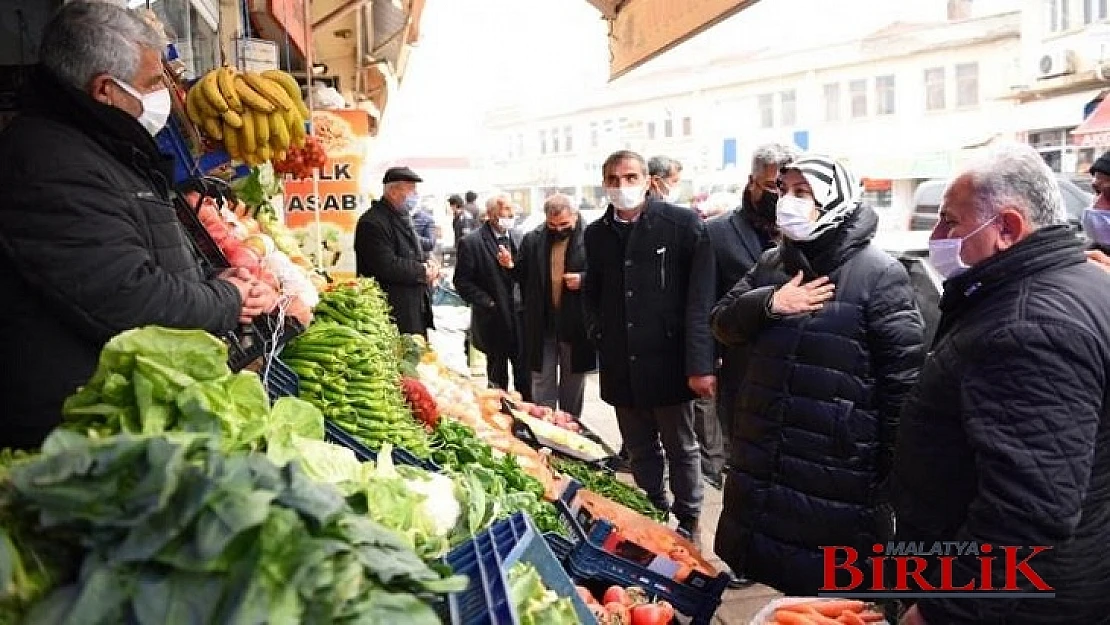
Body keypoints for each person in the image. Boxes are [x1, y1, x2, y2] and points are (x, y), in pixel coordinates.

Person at [0, 1, 273, 450]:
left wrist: (216, 279)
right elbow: (124, 296)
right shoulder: (48, 164)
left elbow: (142, 253)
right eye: (151, 83)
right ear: (106, 90)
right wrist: (226, 299)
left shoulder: (107, 149)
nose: (162, 94)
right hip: (79, 431)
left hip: (127, 415)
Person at [892, 143, 1110, 625]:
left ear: (1007, 229)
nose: (937, 235)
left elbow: (1028, 509)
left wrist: (940, 607)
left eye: (950, 220)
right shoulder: (1078, 283)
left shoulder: (1028, 327)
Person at [710, 154, 925, 596]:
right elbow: (723, 323)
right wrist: (770, 303)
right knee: (781, 576)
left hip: (836, 465)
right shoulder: (774, 263)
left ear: (834, 200)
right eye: (784, 191)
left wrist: (888, 476)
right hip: (768, 449)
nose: (787, 201)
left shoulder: (878, 274)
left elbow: (902, 388)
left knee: (830, 588)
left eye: (802, 192)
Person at [583, 150, 716, 540]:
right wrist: (599, 332)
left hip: (669, 359)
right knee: (639, 446)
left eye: (629, 177)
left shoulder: (682, 225)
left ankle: (689, 516)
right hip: (621, 359)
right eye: (612, 179)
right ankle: (653, 506)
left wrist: (699, 360)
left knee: (681, 444)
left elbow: (700, 297)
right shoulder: (597, 233)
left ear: (647, 181)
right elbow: (593, 292)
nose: (621, 186)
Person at [701, 143, 794, 489]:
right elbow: (704, 306)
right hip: (740, 368)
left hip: (795, 372)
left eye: (792, 189)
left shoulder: (807, 231)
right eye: (774, 187)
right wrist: (703, 365)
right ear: (752, 182)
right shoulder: (717, 232)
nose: (782, 197)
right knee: (745, 463)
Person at [502, 193, 595, 418]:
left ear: (575, 216)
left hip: (575, 322)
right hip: (543, 320)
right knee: (541, 378)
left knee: (573, 380)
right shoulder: (533, 239)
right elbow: (522, 275)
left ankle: (570, 424)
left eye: (564, 224)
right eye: (552, 225)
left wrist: (583, 279)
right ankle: (544, 422)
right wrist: (510, 266)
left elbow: (607, 275)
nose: (559, 229)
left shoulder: (592, 237)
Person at [454, 194, 531, 400]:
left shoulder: (519, 237)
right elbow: (462, 282)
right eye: (505, 210)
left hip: (520, 317)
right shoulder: (471, 242)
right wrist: (487, 302)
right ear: (491, 215)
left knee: (525, 374)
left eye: (511, 209)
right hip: (493, 318)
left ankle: (529, 417)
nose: (511, 214)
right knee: (497, 378)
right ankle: (502, 415)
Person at [354, 166, 439, 336]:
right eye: (411, 190)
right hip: (392, 310)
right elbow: (386, 265)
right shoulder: (372, 223)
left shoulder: (402, 216)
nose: (415, 196)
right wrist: (422, 270)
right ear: (393, 192)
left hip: (414, 306)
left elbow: (414, 251)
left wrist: (429, 263)